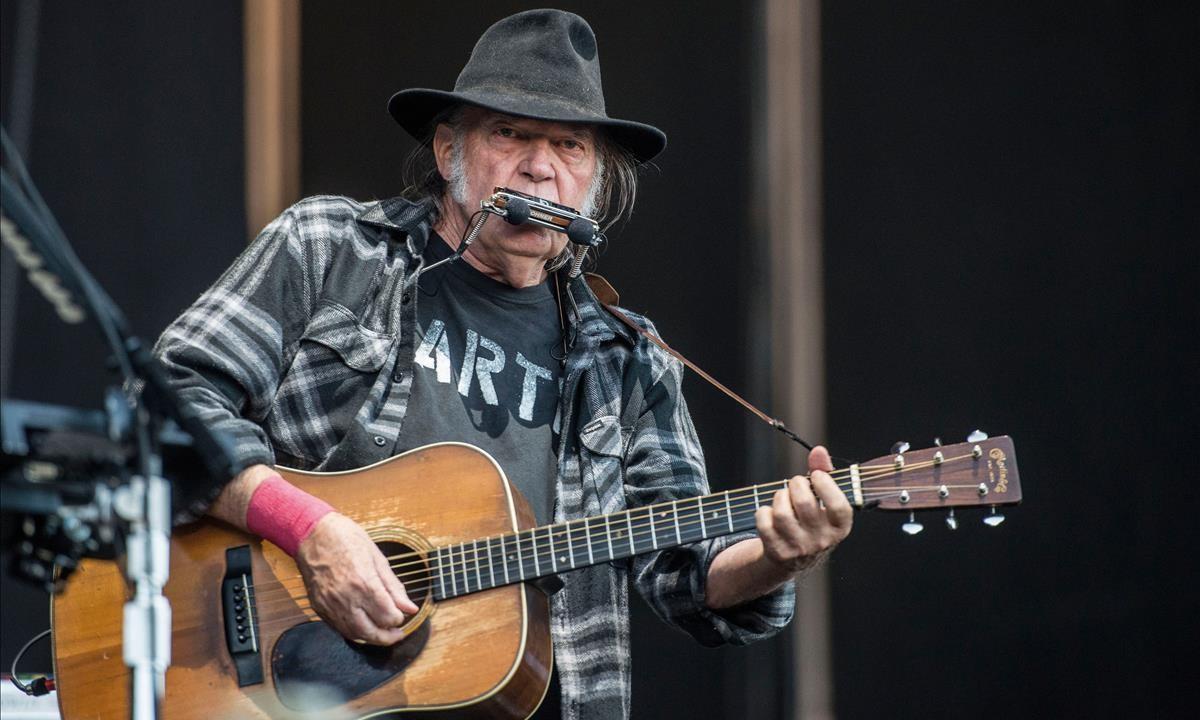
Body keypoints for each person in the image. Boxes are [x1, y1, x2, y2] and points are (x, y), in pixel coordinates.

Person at [155, 9, 852, 719]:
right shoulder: (331, 249)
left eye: (570, 146)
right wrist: (305, 529)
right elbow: (165, 404)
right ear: (449, 149)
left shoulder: (630, 361)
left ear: (595, 186)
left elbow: (686, 573)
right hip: (249, 679)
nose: (540, 165)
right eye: (511, 133)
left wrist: (780, 555)